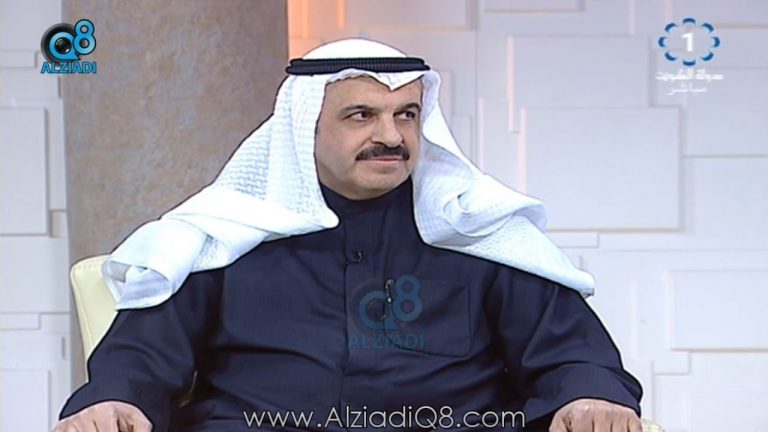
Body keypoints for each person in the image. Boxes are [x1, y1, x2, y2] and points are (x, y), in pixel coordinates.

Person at [54, 39, 643, 432]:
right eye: (361, 115)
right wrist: (112, 400)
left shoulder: (476, 231)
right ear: (304, 128)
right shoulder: (227, 233)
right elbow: (141, 357)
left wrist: (591, 396)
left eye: (406, 114)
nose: (391, 135)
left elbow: (571, 353)